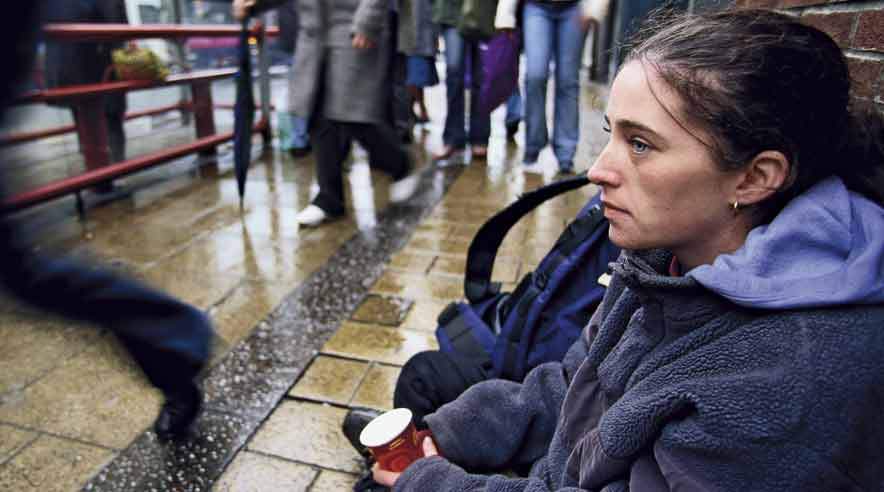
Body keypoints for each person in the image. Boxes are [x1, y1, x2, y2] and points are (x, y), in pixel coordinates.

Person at [369, 9, 884, 491]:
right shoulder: (668, 255)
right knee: (428, 390)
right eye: (611, 133)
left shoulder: (780, 390)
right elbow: (580, 379)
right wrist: (447, 437)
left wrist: (432, 481)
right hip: (566, 466)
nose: (599, 171)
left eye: (641, 144)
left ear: (755, 177)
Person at [1, 2, 213, 441]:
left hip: (83, 60)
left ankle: (178, 337)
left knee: (24, 270)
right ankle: (177, 340)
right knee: (23, 270)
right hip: (81, 60)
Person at [234, 0, 420, 227]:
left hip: (354, 28)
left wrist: (368, 20)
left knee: (354, 116)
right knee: (319, 117)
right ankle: (329, 199)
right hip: (314, 35)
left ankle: (399, 164)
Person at [495, 0, 608, 174]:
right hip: (536, 6)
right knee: (535, 76)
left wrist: (594, 7)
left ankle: (566, 153)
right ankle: (533, 145)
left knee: (568, 80)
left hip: (573, 8)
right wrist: (506, 12)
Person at [43, 0, 129, 191]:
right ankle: (114, 170)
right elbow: (116, 25)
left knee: (83, 117)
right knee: (111, 117)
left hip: (69, 65)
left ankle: (96, 169)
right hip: (97, 61)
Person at [432, 0, 489, 162]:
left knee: (481, 76)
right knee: (454, 71)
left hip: (483, 12)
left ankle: (480, 137)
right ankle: (453, 138)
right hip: (451, 13)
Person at [276, 0, 311, 158]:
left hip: (294, 41)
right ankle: (302, 140)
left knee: (298, 92)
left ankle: (300, 141)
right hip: (304, 40)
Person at [398, 0, 440, 126]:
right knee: (412, 77)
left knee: (415, 77)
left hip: (421, 32)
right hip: (412, 32)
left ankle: (414, 111)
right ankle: (414, 111)